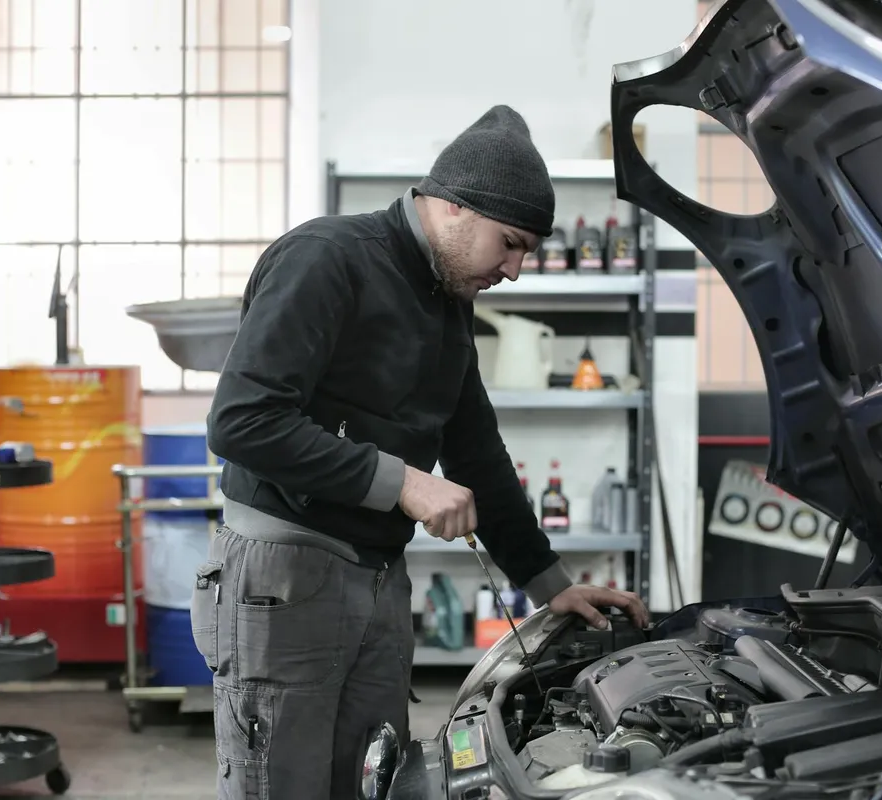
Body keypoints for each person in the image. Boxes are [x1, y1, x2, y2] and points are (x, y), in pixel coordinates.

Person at [197, 104, 650, 799]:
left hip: (377, 578)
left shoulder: (448, 298)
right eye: (510, 243)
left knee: (377, 784)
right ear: (453, 209)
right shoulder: (327, 259)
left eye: (526, 249)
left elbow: (475, 452)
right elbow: (241, 421)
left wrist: (551, 586)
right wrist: (402, 482)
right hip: (283, 582)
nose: (517, 268)